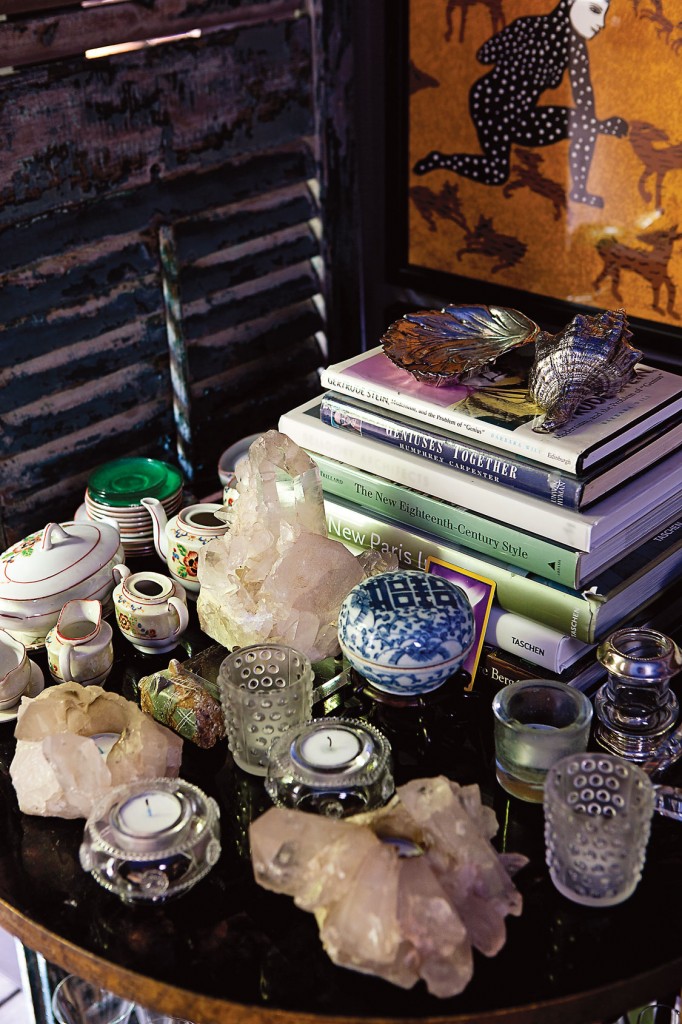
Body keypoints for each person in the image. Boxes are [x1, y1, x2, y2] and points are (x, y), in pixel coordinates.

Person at [413, 0, 627, 207]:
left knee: (583, 124)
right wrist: (516, 51)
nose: (600, 23)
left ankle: (579, 190)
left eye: (603, 15)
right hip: (489, 103)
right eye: (594, 10)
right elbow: (484, 54)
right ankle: (442, 160)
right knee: (497, 173)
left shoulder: (576, 50)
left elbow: (584, 96)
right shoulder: (528, 26)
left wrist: (594, 124)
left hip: (521, 115)